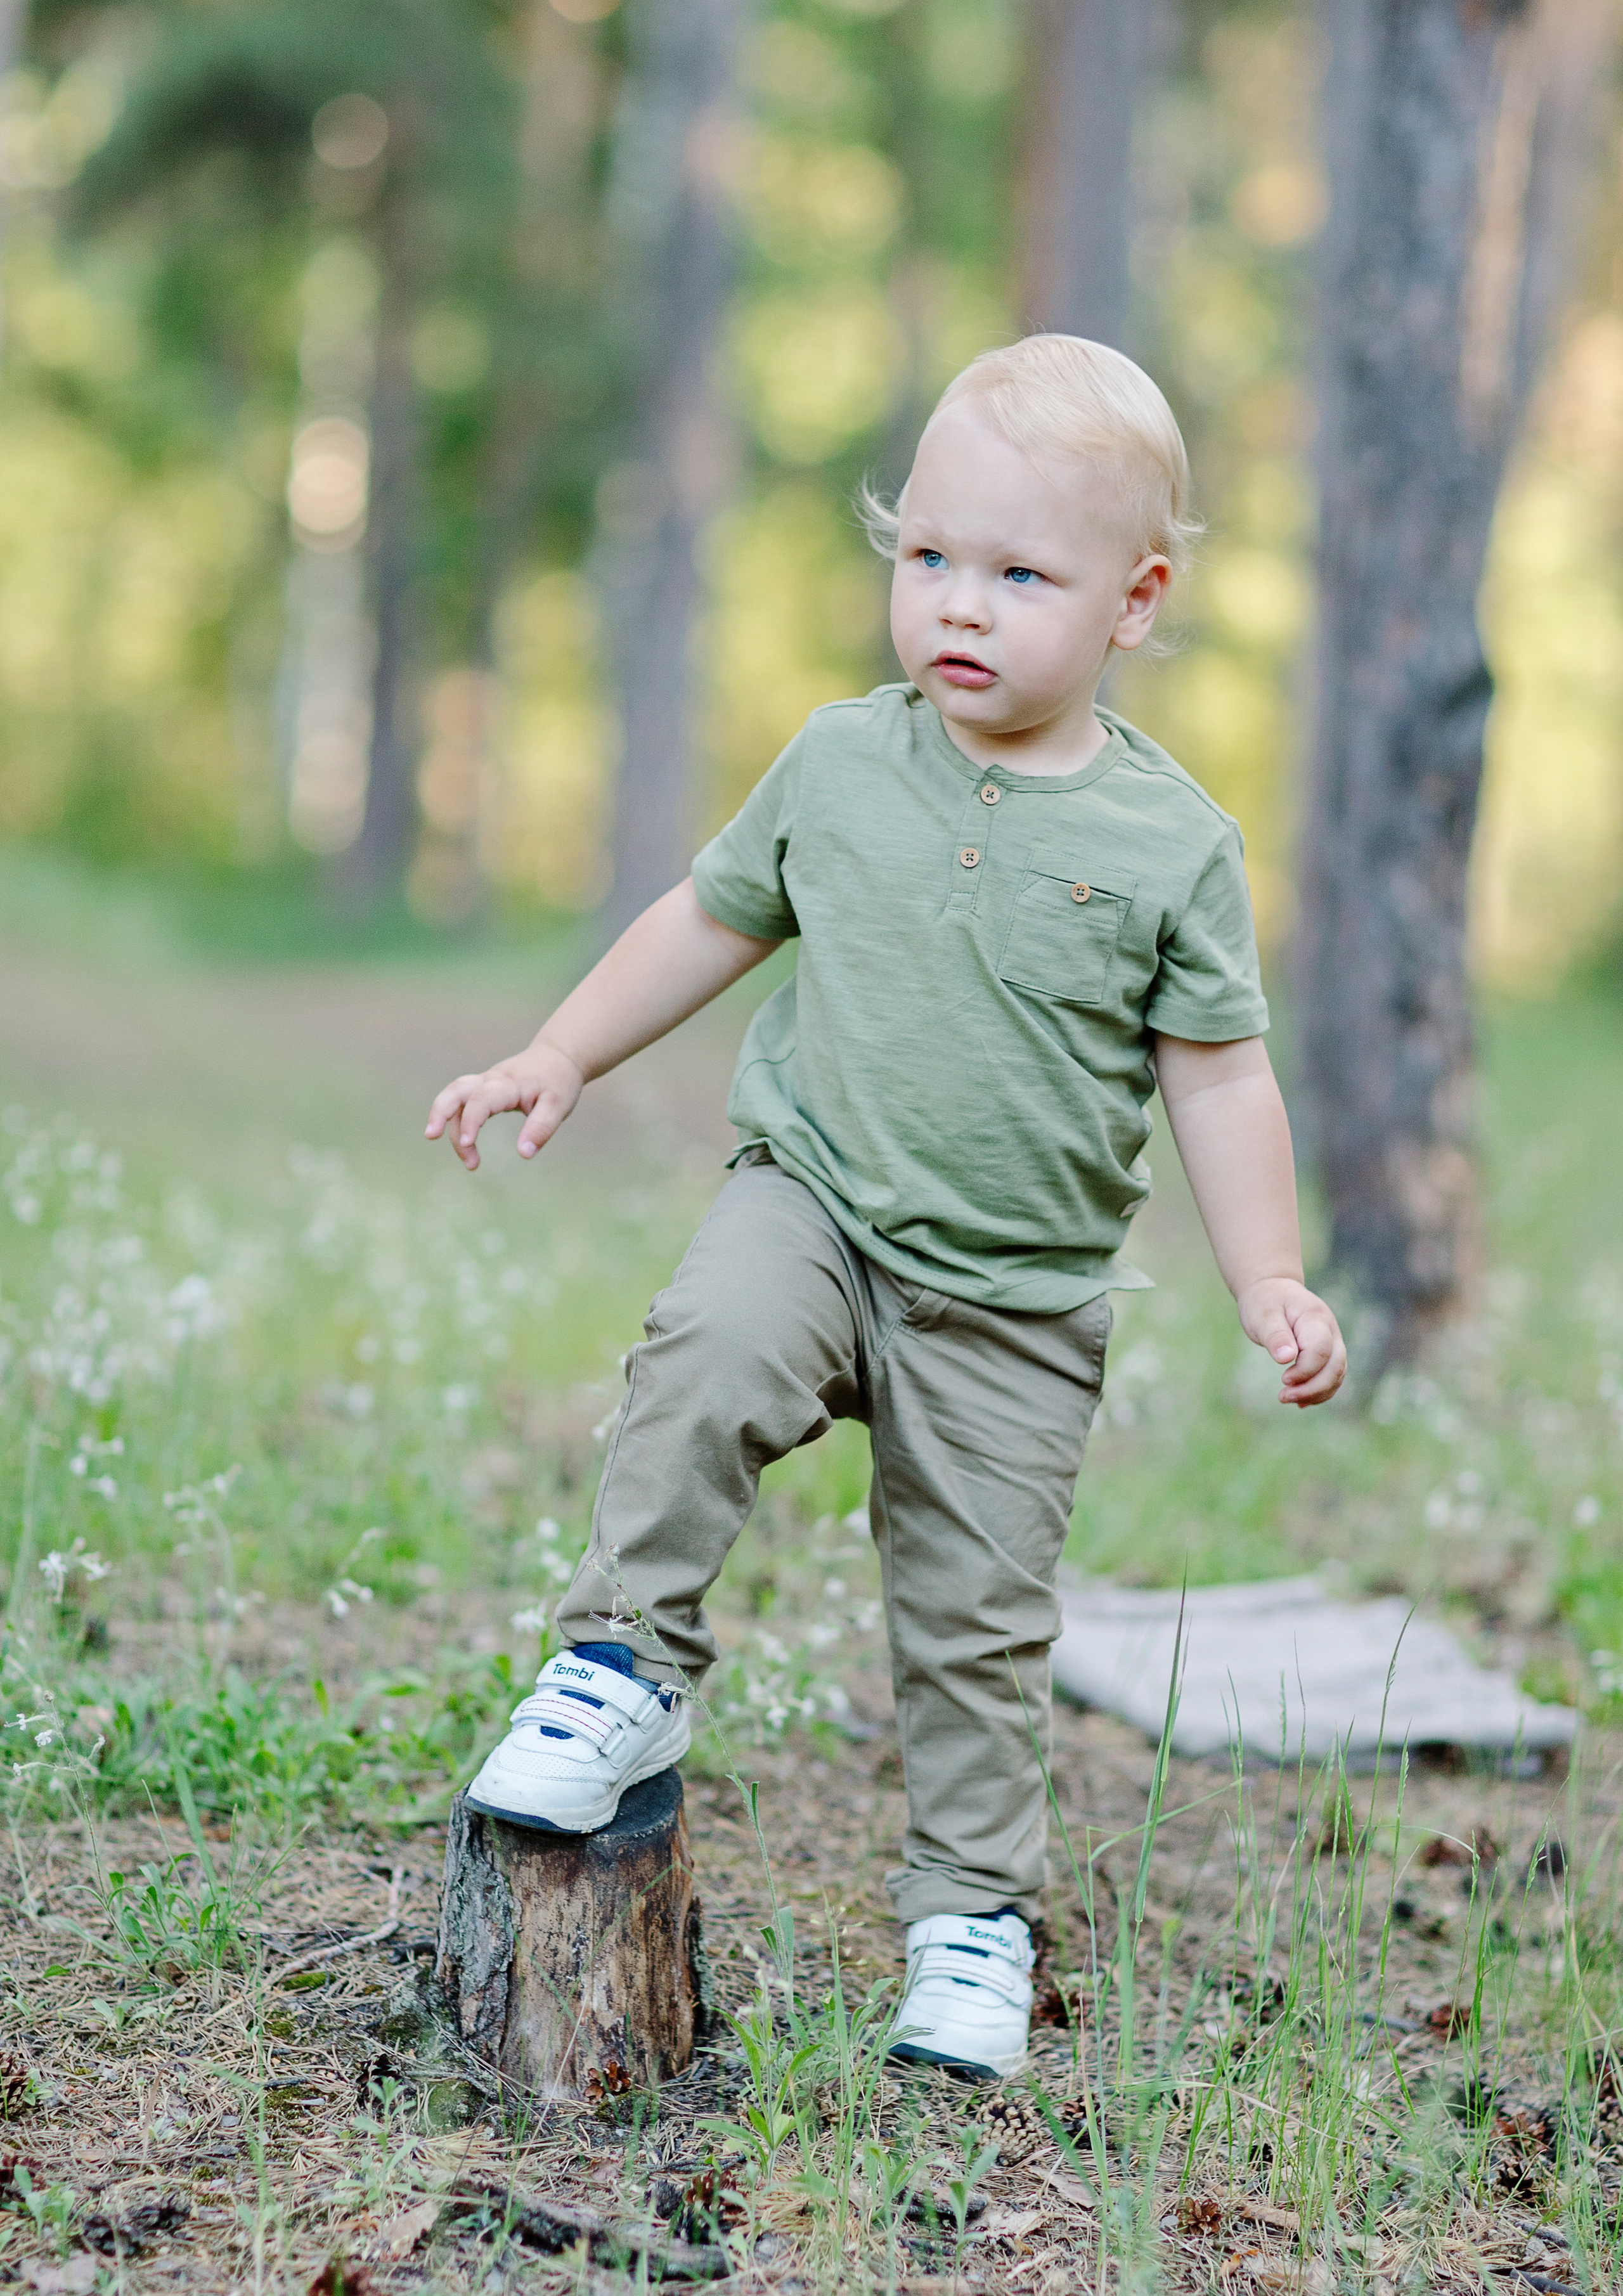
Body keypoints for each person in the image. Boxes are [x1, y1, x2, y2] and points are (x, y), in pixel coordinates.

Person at [425, 333, 1347, 2080]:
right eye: (928, 557)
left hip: (1017, 1301)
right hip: (818, 1205)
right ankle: (622, 1667)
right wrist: (561, 1052)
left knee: (976, 1626)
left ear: (1135, 601)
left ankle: (971, 1922)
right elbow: (711, 917)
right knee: (703, 1349)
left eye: (1019, 573)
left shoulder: (1175, 845)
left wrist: (1272, 1276)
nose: (960, 607)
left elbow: (1223, 1075)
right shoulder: (844, 764)